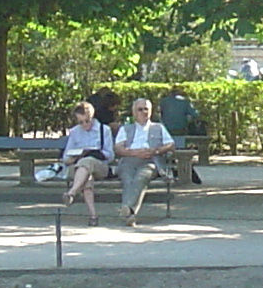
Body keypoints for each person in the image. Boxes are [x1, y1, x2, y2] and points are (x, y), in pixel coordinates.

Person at [115, 96, 176, 227]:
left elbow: (171, 144)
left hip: (151, 160)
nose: (143, 112)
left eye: (146, 109)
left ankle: (127, 209)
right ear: (133, 112)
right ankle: (130, 213)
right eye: (140, 109)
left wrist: (156, 150)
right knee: (127, 178)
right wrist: (133, 152)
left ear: (151, 111)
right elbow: (118, 148)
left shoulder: (158, 127)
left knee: (141, 178)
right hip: (129, 159)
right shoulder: (126, 129)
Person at [57, 101, 114, 224]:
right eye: (81, 122)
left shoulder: (104, 130)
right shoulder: (75, 132)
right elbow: (66, 158)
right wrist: (76, 156)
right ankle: (93, 216)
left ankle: (72, 192)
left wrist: (92, 153)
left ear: (92, 117)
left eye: (87, 121)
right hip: (78, 168)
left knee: (87, 161)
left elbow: (110, 156)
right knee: (86, 175)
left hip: (100, 166)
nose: (84, 125)